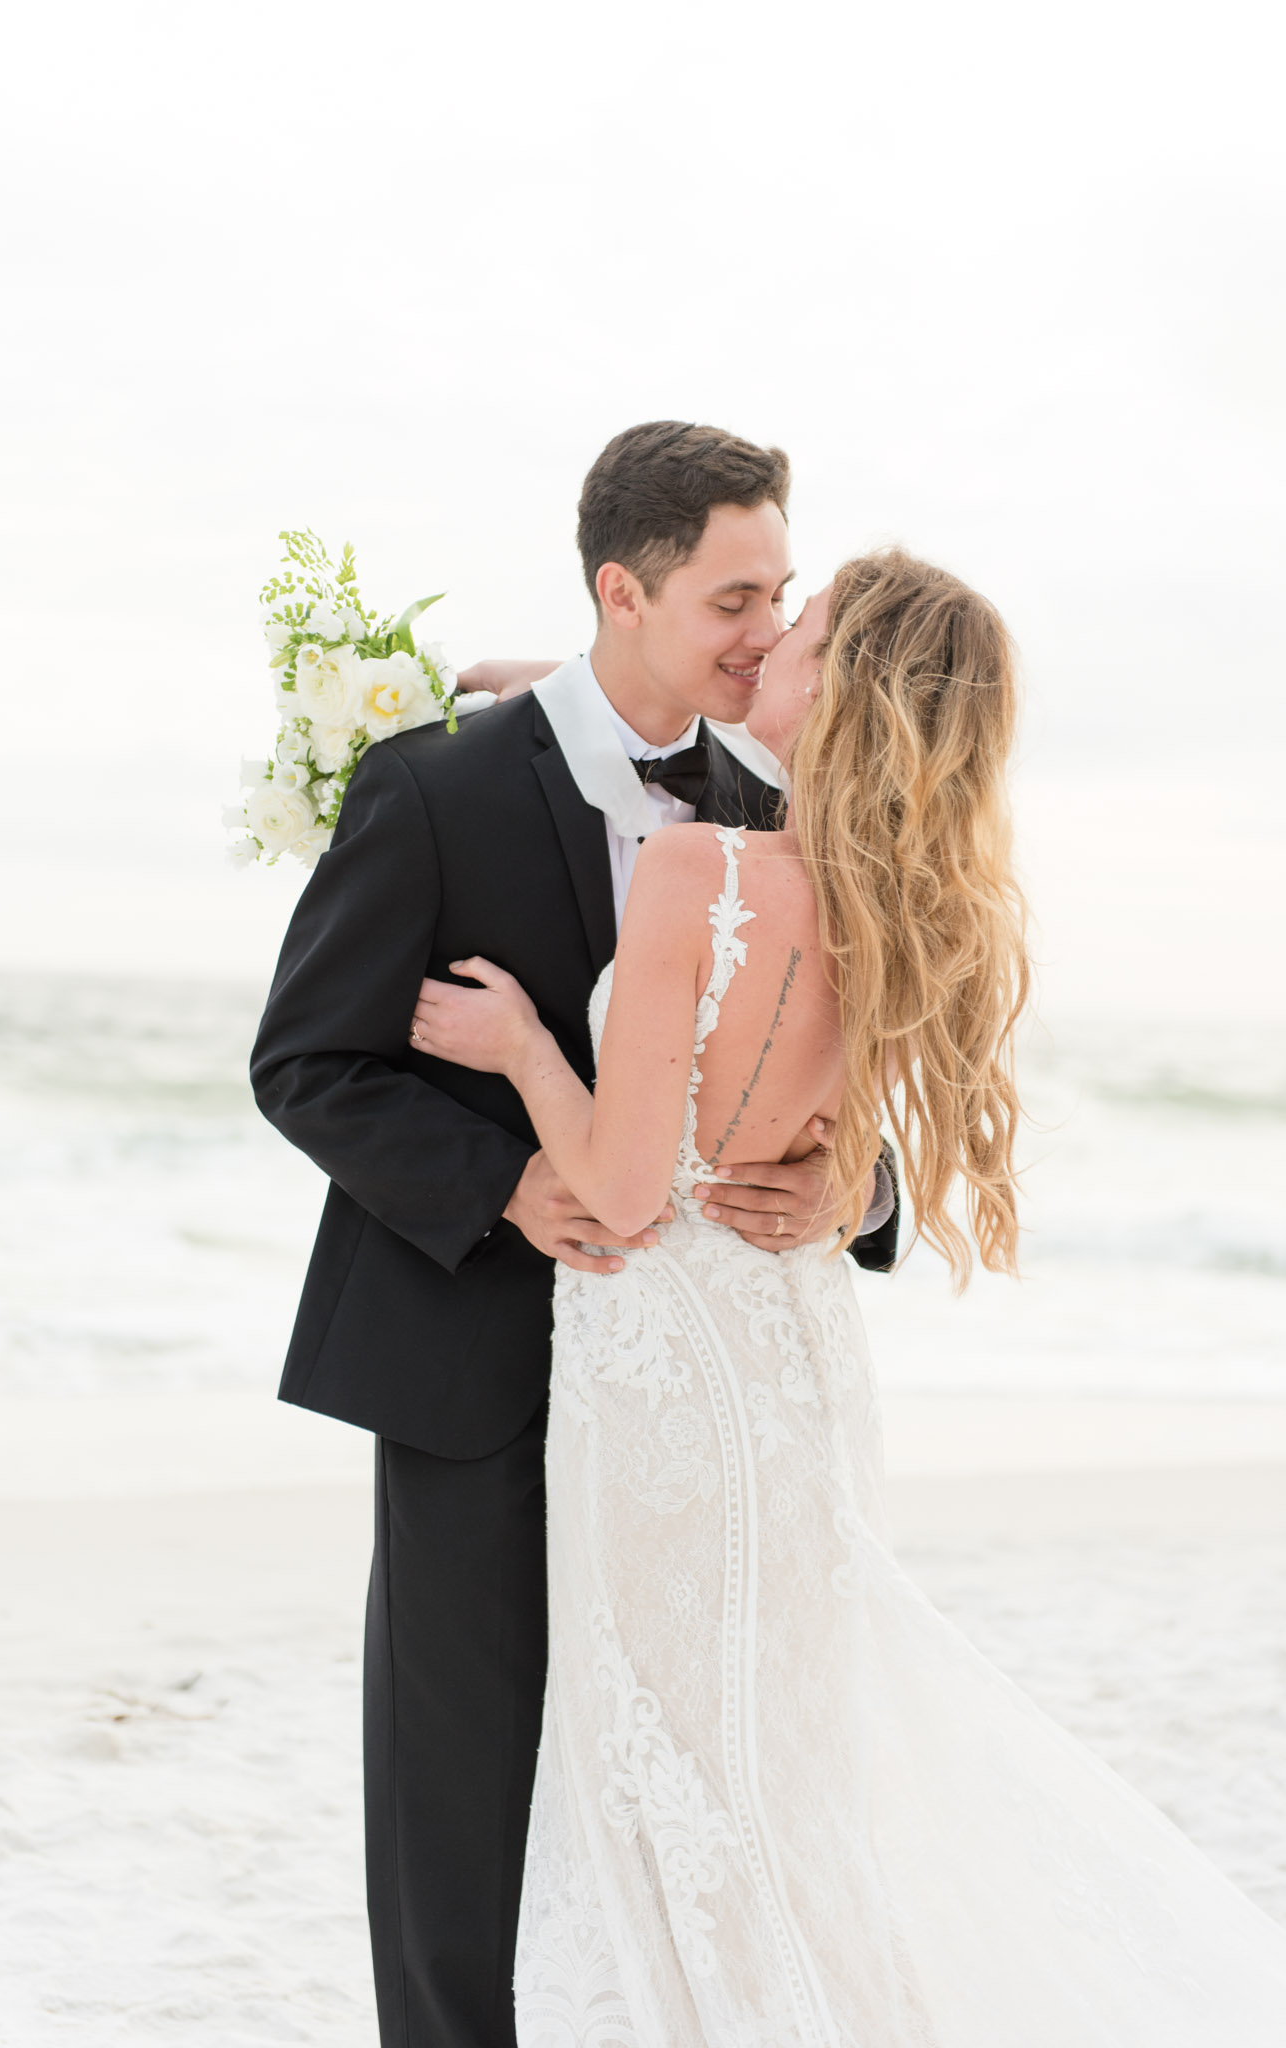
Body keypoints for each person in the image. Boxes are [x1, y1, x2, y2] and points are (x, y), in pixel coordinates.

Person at [409, 551, 1286, 2042]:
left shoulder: (701, 874)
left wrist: (520, 1052)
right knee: (782, 1764)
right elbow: (822, 1131)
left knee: (675, 1765)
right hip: (790, 1355)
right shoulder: (905, 908)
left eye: (796, 636)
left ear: (844, 690)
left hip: (664, 1370)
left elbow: (623, 1194)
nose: (765, 656)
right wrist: (539, 698)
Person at [249, 422, 897, 2048]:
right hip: (473, 1363)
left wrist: (859, 1194)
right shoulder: (435, 787)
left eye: (782, 594)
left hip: (705, 1398)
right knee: (458, 1793)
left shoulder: (801, 802)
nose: (767, 629)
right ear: (626, 588)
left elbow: (897, 1078)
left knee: (717, 1780)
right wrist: (496, 1189)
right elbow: (306, 1060)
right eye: (734, 597)